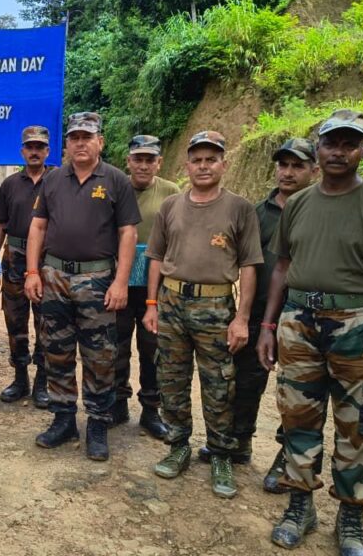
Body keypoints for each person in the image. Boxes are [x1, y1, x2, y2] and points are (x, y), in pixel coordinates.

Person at [260, 111, 363, 556]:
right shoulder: (300, 202)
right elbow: (282, 267)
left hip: (357, 326)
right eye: (331, 143)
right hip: (298, 322)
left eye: (350, 143)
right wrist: (269, 324)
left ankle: (351, 518)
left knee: (357, 425)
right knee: (298, 419)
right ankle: (299, 506)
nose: (339, 151)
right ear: (318, 149)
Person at [143, 130, 262, 498]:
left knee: (219, 385)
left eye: (212, 159)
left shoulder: (240, 208)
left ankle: (221, 454)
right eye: (197, 159)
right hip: (172, 302)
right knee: (171, 379)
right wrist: (151, 305)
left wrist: (241, 318)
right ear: (187, 165)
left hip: (216, 307)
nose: (204, 166)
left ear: (224, 164)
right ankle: (178, 445)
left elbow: (249, 266)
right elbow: (156, 259)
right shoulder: (171, 206)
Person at [198, 138, 317, 494]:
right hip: (258, 313)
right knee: (246, 382)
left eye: (297, 166)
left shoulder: (318, 209)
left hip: (304, 316)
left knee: (299, 394)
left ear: (313, 169)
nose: (288, 172)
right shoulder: (257, 212)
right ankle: (239, 442)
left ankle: (287, 455)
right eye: (283, 165)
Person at [24, 112, 141, 461]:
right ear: (67, 144)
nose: (80, 143)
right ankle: (62, 419)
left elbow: (128, 233)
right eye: (74, 137)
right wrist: (32, 272)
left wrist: (121, 281)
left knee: (100, 356)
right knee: (56, 350)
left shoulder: (117, 180)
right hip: (55, 277)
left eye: (87, 137)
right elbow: (38, 228)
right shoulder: (53, 179)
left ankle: (98, 424)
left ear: (100, 142)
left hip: (97, 279)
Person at [112, 134, 179, 439]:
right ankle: (118, 403)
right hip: (121, 281)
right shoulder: (116, 186)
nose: (143, 165)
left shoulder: (170, 192)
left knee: (153, 349)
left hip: (156, 285)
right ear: (128, 161)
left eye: (149, 160)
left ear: (158, 162)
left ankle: (151, 410)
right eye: (137, 159)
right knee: (117, 344)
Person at [0, 125, 54, 408]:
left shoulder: (58, 181)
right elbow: (0, 225)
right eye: (30, 147)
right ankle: (20, 378)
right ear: (22, 151)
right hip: (14, 256)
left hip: (47, 259)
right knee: (15, 320)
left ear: (48, 151)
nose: (35, 151)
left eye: (40, 147)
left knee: (46, 322)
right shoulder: (10, 184)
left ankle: (42, 381)